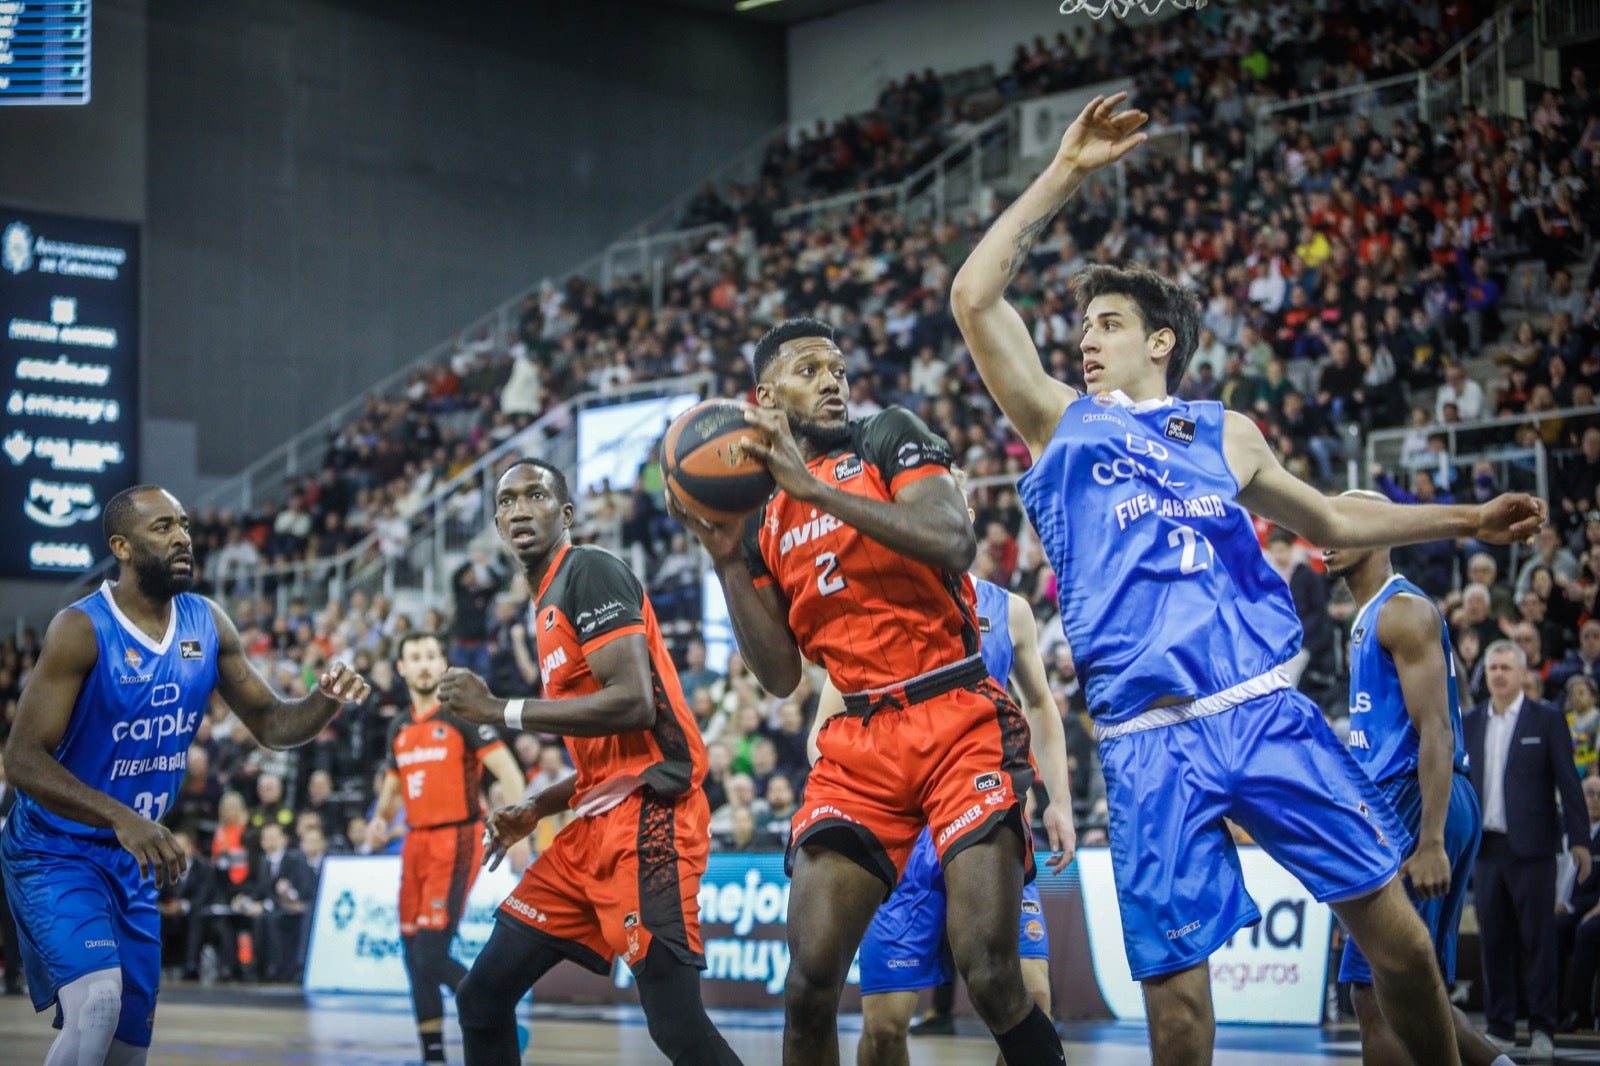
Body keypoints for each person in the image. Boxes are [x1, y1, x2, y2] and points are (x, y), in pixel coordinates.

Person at [948, 93, 1544, 1066]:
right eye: (1080, 325)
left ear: (1160, 342)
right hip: (1143, 746)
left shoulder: (1225, 431)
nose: (1085, 340)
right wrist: (1064, 174)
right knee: (1178, 1019)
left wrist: (1465, 517)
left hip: (1260, 711)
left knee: (1395, 944)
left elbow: (1335, 517)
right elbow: (973, 297)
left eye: (1106, 323)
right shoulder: (1065, 425)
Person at [669, 324, 1063, 1066]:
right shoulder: (758, 519)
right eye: (808, 369)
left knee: (993, 975)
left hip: (958, 715)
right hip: (859, 740)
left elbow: (952, 539)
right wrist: (726, 562)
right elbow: (781, 676)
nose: (832, 380)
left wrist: (812, 487)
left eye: (838, 368)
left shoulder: (887, 435)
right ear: (764, 400)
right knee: (809, 985)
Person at [0, 484, 370, 1066]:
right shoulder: (80, 628)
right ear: (121, 547)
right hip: (54, 849)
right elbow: (22, 759)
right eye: (163, 528)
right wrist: (122, 816)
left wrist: (324, 699)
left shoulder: (207, 622)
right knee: (96, 1003)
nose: (182, 539)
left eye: (185, 525)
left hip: (132, 856)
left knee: (126, 1049)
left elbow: (273, 724)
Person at [438, 460, 743, 1066]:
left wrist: (500, 709)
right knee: (482, 998)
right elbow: (605, 755)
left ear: (566, 514)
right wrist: (537, 805)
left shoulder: (590, 571)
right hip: (593, 827)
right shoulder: (545, 600)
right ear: (497, 521)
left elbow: (633, 704)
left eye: (536, 495)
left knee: (677, 1026)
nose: (520, 508)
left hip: (652, 817)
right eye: (507, 501)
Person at [807, 537, 1076, 1066]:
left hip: (984, 816)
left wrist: (1058, 799)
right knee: (884, 1029)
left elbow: (1041, 703)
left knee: (1033, 994)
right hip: (904, 836)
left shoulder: (1010, 610)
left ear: (963, 518)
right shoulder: (873, 609)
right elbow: (822, 731)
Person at [1322, 520, 1514, 1066]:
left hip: (1419, 800)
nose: (1326, 537)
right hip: (1411, 803)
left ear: (1381, 536)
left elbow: (1437, 730)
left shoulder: (1402, 610)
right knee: (1418, 998)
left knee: (1374, 996)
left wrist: (1429, 839)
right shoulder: (1371, 618)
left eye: (1341, 526)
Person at [365, 632, 527, 1066]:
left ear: (442, 665)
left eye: (431, 656)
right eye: (414, 657)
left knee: (431, 951)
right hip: (414, 843)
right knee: (411, 950)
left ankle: (498, 1015)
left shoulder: (462, 716)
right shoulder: (400, 726)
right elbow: (394, 789)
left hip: (457, 838)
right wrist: (380, 821)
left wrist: (519, 832)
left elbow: (508, 772)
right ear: (401, 668)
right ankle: (432, 1056)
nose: (423, 664)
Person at [1464, 641, 1590, 1060]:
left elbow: (1569, 783)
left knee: (1539, 942)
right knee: (1494, 941)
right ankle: (1500, 1026)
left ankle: (1542, 1027)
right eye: (1492, 667)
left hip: (1534, 848)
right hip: (1486, 849)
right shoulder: (1471, 720)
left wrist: (1581, 842)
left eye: (1505, 667)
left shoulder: (1548, 718)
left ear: (1521, 674)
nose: (1498, 674)